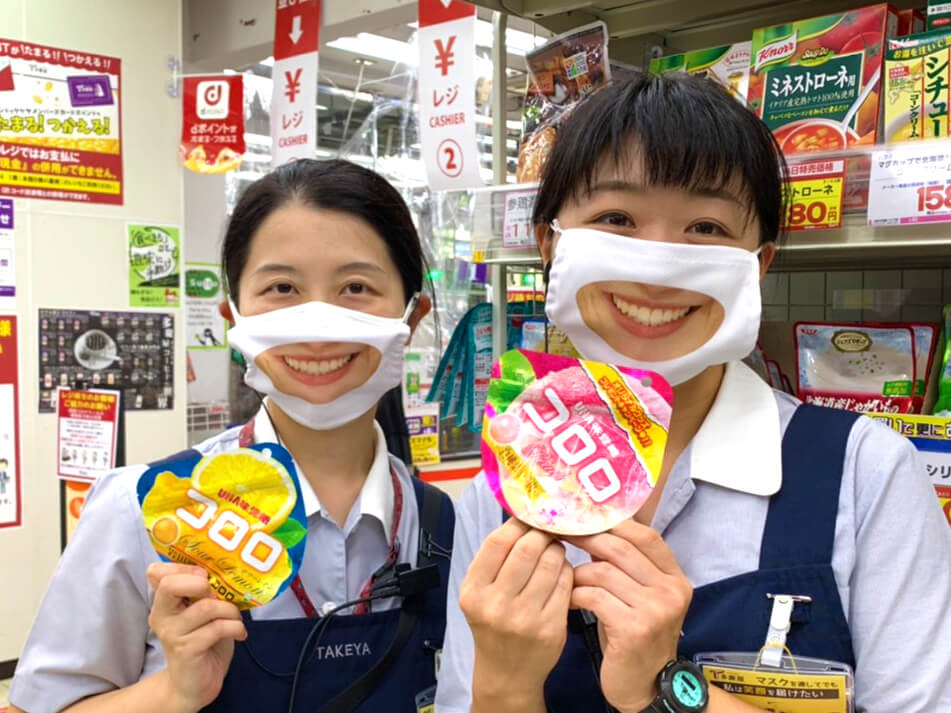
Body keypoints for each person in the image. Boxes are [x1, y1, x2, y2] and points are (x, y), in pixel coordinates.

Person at [434, 73, 951, 713]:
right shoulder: (500, 486)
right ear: (550, 244)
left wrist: (666, 689)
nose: (657, 268)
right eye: (616, 218)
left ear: (756, 265)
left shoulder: (866, 474)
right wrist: (506, 683)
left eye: (705, 227)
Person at [10, 159, 455, 713]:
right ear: (234, 318)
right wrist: (173, 691)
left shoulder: (443, 527)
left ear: (412, 319)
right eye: (282, 287)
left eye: (356, 287)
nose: (317, 326)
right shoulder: (145, 508)